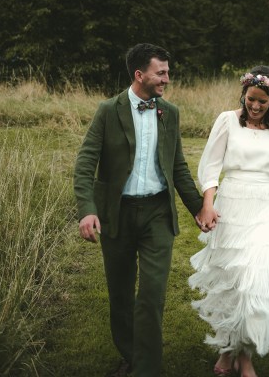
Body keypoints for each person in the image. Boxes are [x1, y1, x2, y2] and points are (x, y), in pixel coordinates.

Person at [74, 43, 218, 377]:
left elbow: (178, 165)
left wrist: (199, 207)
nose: (168, 78)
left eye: (168, 71)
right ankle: (130, 355)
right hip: (118, 214)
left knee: (151, 295)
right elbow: (85, 164)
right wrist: (87, 210)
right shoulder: (108, 110)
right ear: (140, 75)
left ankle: (146, 370)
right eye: (161, 72)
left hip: (157, 213)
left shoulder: (170, 112)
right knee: (121, 295)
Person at [189, 66, 269, 377]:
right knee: (233, 281)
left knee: (256, 283)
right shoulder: (227, 120)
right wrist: (207, 205)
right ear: (244, 94)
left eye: (262, 102)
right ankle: (227, 349)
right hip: (232, 204)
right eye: (251, 99)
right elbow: (209, 167)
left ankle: (246, 356)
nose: (255, 106)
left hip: (265, 206)